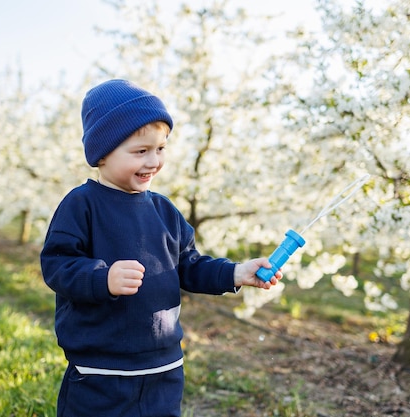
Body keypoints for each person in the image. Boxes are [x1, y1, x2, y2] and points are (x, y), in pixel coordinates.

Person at [40, 79, 282, 417]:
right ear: (102, 154)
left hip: (164, 367)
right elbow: (57, 263)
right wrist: (102, 277)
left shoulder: (165, 211)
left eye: (161, 148)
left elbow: (189, 265)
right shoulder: (82, 205)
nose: (153, 161)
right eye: (141, 151)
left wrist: (235, 273)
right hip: (102, 371)